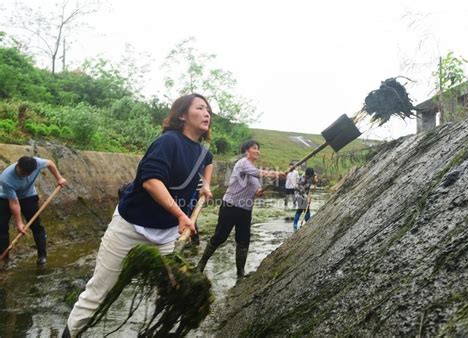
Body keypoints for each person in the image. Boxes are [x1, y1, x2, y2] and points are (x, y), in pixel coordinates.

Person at [63, 93, 214, 338]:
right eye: (200, 108)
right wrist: (180, 215)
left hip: (165, 236)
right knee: (98, 292)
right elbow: (152, 182)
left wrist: (205, 184)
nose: (207, 113)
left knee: (168, 291)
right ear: (183, 115)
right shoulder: (168, 142)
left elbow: (208, 161)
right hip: (131, 227)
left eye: (208, 109)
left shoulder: (200, 150)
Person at [197, 140, 285, 279]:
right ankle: (201, 264)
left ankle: (240, 273)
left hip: (245, 210)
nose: (258, 151)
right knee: (220, 236)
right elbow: (258, 172)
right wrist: (276, 173)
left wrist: (258, 192)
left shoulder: (254, 174)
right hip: (230, 206)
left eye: (258, 149)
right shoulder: (243, 163)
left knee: (243, 240)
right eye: (254, 148)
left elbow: (255, 190)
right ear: (246, 151)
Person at [0, 156, 67, 265]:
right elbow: (14, 203)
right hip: (6, 198)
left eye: (28, 174)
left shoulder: (37, 163)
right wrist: (19, 223)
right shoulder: (6, 178)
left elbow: (50, 163)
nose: (25, 176)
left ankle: (42, 256)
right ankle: (4, 259)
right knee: (1, 228)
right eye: (23, 173)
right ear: (18, 166)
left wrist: (59, 178)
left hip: (28, 196)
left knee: (36, 226)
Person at [293, 167, 316, 231]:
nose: (310, 177)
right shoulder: (302, 180)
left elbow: (313, 181)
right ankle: (295, 224)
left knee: (307, 208)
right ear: (306, 175)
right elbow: (301, 191)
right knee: (301, 208)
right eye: (309, 176)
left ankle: (307, 222)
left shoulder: (311, 176)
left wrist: (309, 195)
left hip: (306, 193)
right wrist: (307, 198)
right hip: (299, 194)